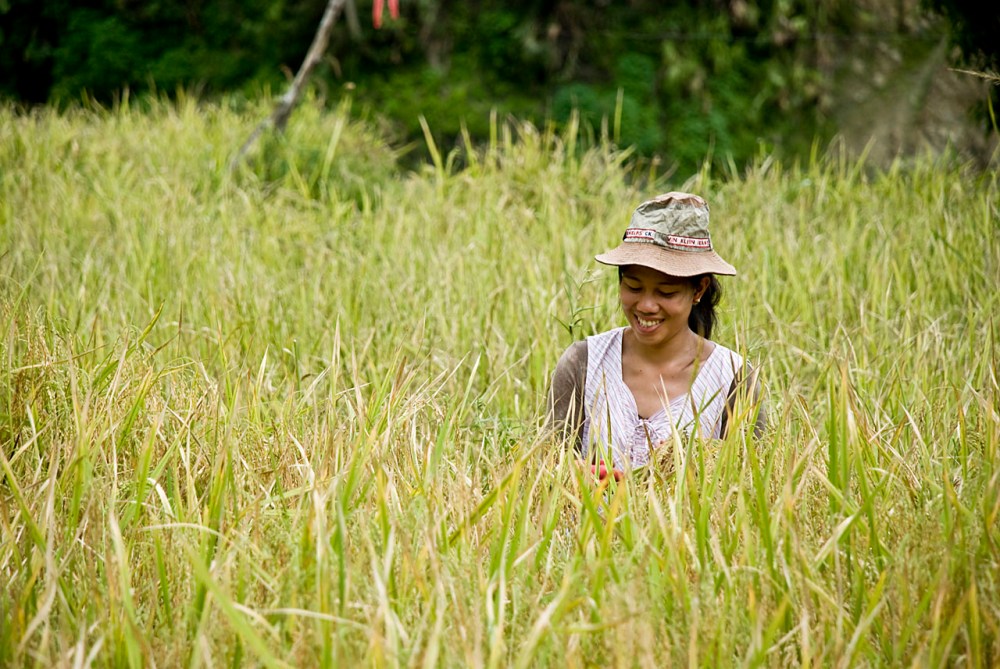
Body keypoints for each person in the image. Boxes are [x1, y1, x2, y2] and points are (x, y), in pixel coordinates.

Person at [547, 192, 766, 475]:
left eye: (666, 292)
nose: (646, 305)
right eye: (634, 287)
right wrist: (577, 479)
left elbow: (749, 485)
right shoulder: (584, 363)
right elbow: (546, 470)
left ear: (698, 290)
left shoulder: (733, 378)